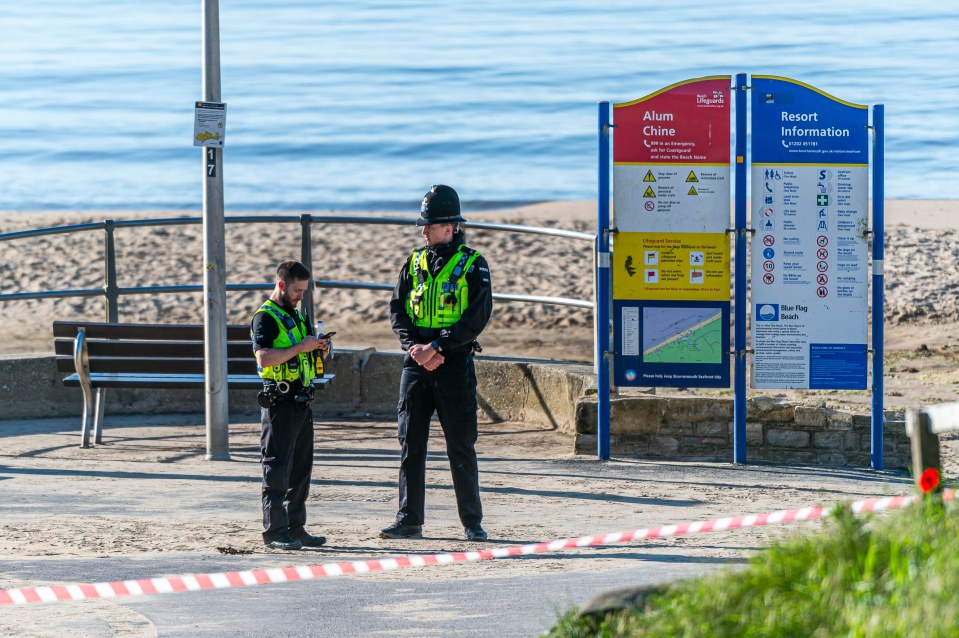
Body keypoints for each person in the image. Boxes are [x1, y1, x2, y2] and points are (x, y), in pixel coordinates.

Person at [380, 185, 493, 542]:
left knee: (461, 444)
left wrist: (439, 346)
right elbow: (398, 310)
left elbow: (477, 316)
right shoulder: (413, 262)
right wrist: (414, 347)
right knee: (410, 442)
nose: (423, 231)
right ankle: (409, 518)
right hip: (416, 364)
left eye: (429, 225)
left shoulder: (474, 264)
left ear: (449, 226)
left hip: (454, 361)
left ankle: (472, 522)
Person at [251, 260, 331, 550]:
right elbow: (264, 358)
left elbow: (303, 356)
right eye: (297, 290)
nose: (301, 296)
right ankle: (275, 532)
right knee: (277, 469)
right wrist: (301, 347)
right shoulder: (265, 317)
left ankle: (296, 528)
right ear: (281, 285)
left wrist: (319, 348)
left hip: (302, 401)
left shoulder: (297, 316)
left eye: (304, 291)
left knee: (300, 470)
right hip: (279, 401)